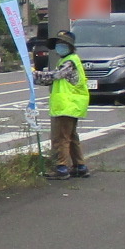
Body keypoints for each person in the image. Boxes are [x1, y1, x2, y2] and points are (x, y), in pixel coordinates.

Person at [36, 28, 90, 178]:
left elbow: (57, 75)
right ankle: (80, 166)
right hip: (73, 104)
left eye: (63, 44)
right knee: (71, 136)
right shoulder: (69, 60)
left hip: (67, 104)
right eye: (58, 43)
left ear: (71, 46)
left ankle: (62, 167)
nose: (60, 46)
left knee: (62, 137)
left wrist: (35, 75)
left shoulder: (70, 62)